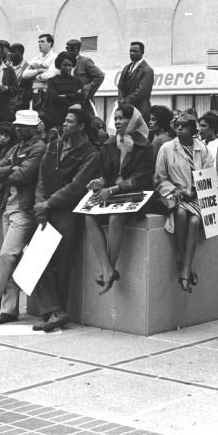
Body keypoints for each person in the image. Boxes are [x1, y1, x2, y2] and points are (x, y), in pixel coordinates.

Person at [33, 109, 99, 332]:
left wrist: (48, 203)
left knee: (62, 263)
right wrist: (41, 204)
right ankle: (54, 311)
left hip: (68, 211)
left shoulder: (90, 153)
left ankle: (55, 312)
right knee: (37, 259)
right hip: (47, 209)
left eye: (69, 121)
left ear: (81, 126)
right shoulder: (54, 145)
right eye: (64, 119)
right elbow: (41, 176)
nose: (64, 124)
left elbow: (77, 187)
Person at [85, 104, 155, 294]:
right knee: (89, 217)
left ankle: (109, 269)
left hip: (136, 194)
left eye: (121, 118)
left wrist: (113, 188)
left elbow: (142, 178)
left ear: (132, 121)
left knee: (116, 217)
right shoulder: (109, 144)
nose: (117, 122)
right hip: (112, 193)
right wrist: (99, 182)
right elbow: (105, 172)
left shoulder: (146, 146)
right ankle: (107, 269)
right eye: (115, 119)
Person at [0, 110, 46, 325]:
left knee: (6, 255)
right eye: (17, 125)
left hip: (24, 209)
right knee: (11, 259)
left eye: (22, 126)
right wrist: (11, 167)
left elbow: (24, 176)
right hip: (9, 206)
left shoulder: (39, 148)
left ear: (33, 128)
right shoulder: (16, 147)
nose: (17, 129)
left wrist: (7, 170)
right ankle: (9, 309)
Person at [155, 113, 213, 293]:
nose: (180, 128)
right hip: (175, 194)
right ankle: (186, 266)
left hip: (197, 195)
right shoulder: (166, 148)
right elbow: (159, 178)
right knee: (180, 214)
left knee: (195, 221)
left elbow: (209, 175)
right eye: (177, 125)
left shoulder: (202, 149)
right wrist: (177, 191)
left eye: (184, 125)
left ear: (193, 129)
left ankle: (185, 269)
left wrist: (194, 190)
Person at [44, 52, 86, 130]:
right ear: (59, 65)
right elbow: (54, 98)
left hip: (75, 118)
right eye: (65, 65)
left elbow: (82, 96)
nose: (68, 68)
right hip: (58, 116)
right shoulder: (52, 81)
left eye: (70, 65)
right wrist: (73, 100)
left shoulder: (77, 81)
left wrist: (65, 96)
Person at [65, 39, 106, 116]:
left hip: (83, 100)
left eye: (72, 49)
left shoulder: (85, 61)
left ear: (78, 49)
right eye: (67, 49)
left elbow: (100, 76)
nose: (68, 51)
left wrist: (88, 92)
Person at [116, 42, 155, 120]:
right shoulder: (126, 68)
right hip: (125, 111)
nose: (132, 53)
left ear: (142, 52)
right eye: (130, 51)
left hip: (140, 111)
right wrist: (121, 100)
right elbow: (120, 86)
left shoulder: (147, 70)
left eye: (135, 51)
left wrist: (125, 101)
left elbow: (142, 91)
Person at [23, 33, 59, 111]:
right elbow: (25, 74)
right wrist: (39, 70)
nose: (39, 44)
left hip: (47, 92)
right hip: (35, 92)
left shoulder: (55, 57)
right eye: (39, 42)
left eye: (42, 42)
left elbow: (49, 75)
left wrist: (34, 75)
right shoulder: (36, 58)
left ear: (50, 43)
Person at [7, 43, 32, 111]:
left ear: (21, 53)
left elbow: (29, 89)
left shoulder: (28, 68)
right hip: (6, 102)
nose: (10, 54)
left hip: (20, 104)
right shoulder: (6, 66)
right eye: (10, 51)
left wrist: (22, 101)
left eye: (13, 51)